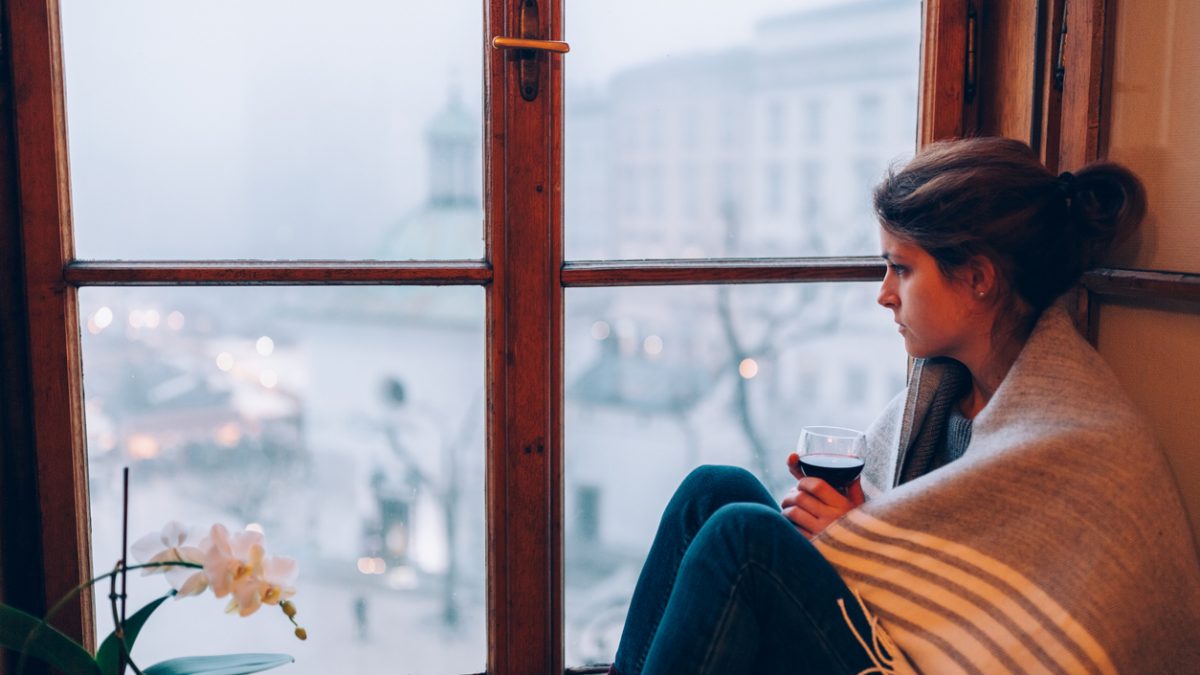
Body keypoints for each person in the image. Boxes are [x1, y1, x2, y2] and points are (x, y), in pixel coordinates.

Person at [607, 137, 1200, 674]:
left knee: (744, 539)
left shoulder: (1082, 439)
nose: (884, 294)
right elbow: (934, 563)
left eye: (901, 268)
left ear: (978, 278)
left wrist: (858, 536)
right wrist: (863, 526)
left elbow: (1025, 635)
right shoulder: (943, 395)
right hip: (893, 648)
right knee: (713, 491)